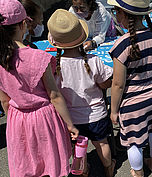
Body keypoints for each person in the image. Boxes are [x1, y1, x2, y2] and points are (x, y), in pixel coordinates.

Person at [0, 0, 79, 176]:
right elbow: (54, 96)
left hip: (17, 118)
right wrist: (70, 125)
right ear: (24, 24)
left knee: (27, 163)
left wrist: (15, 122)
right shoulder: (38, 57)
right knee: (51, 161)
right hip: (44, 118)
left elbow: (4, 100)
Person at [47, 9, 116, 177]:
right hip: (97, 115)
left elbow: (53, 93)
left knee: (78, 148)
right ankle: (109, 167)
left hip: (71, 119)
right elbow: (106, 82)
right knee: (102, 144)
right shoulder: (93, 60)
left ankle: (83, 171)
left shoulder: (55, 66)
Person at [107, 0, 152, 176]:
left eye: (117, 11)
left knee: (133, 141)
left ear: (125, 15)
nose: (116, 15)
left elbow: (118, 84)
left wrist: (113, 111)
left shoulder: (122, 45)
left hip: (132, 103)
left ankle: (138, 172)